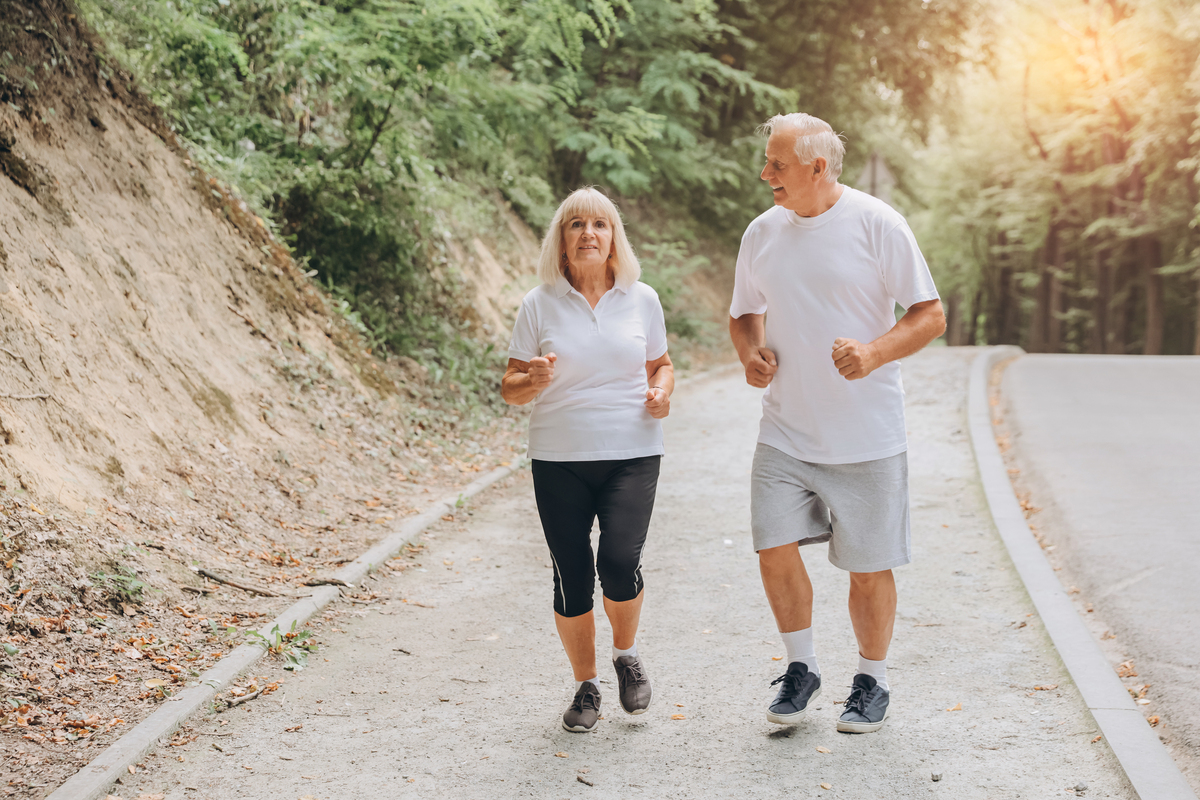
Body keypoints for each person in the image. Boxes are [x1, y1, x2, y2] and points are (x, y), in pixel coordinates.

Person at [728, 113, 945, 734]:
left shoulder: (878, 224)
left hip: (866, 436)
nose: (765, 173)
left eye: (777, 164)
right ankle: (802, 669)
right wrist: (751, 354)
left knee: (868, 567)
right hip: (785, 433)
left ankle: (871, 680)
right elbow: (745, 314)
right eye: (767, 161)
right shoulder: (762, 232)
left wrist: (874, 353)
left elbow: (930, 315)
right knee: (772, 548)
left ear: (817, 168)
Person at [502, 187, 674, 733]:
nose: (588, 233)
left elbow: (662, 365)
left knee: (619, 564)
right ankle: (587, 684)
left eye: (600, 224)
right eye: (576, 224)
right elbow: (509, 387)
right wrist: (533, 378)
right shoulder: (538, 302)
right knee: (571, 576)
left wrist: (663, 391)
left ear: (614, 238)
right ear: (562, 238)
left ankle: (627, 654)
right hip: (558, 458)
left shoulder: (642, 298)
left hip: (633, 453)